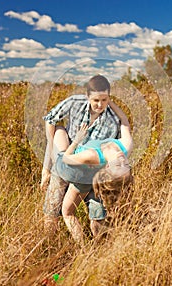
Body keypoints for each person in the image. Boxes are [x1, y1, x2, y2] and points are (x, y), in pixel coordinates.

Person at [42, 75, 122, 234]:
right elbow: (50, 120)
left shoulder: (113, 121)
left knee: (97, 218)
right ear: (87, 97)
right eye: (96, 100)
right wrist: (48, 165)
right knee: (52, 211)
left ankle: (97, 252)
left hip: (90, 171)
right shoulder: (74, 103)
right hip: (65, 162)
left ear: (109, 97)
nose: (100, 105)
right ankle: (50, 247)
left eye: (104, 100)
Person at [51, 100, 133, 244]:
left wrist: (76, 140)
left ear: (108, 167)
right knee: (96, 211)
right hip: (89, 174)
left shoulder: (91, 155)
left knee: (67, 212)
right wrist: (109, 101)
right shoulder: (126, 147)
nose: (121, 159)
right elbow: (124, 120)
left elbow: (66, 159)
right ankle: (98, 242)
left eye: (117, 165)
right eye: (125, 164)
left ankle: (83, 249)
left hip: (72, 172)